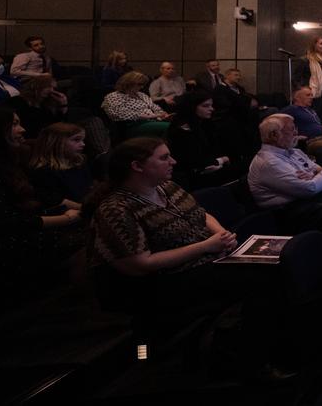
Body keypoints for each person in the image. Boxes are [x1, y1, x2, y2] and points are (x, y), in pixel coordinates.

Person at [85, 138, 293, 381]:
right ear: (137, 166)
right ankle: (248, 361)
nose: (173, 161)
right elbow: (140, 265)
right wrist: (205, 246)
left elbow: (201, 214)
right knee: (264, 281)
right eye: (164, 157)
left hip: (204, 261)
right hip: (158, 283)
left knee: (282, 263)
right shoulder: (116, 209)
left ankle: (260, 346)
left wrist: (220, 234)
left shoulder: (168, 187)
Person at [0, 109, 84, 289]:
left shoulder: (14, 158)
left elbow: (40, 196)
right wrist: (67, 218)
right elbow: (9, 222)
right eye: (14, 124)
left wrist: (68, 205)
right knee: (88, 240)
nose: (22, 129)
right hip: (8, 239)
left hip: (25, 222)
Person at [165, 89, 235, 190]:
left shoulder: (203, 123)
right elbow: (194, 162)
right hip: (191, 176)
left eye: (211, 105)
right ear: (192, 107)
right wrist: (222, 159)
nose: (212, 109)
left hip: (207, 168)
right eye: (205, 106)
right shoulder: (183, 129)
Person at [24, 122, 94, 207]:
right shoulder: (44, 171)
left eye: (82, 140)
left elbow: (89, 189)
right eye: (76, 140)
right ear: (56, 143)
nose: (83, 144)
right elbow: (55, 200)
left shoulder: (79, 163)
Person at [102, 71, 171, 137]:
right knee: (170, 127)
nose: (142, 87)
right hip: (133, 125)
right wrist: (149, 116)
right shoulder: (114, 96)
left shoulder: (141, 95)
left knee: (177, 126)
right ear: (128, 83)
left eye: (143, 84)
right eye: (139, 84)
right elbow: (116, 113)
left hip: (153, 121)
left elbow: (155, 107)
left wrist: (163, 114)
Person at [292, 36, 322, 126]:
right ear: (314, 45)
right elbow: (296, 78)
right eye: (321, 43)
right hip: (313, 93)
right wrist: (303, 89)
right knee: (315, 117)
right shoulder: (305, 60)